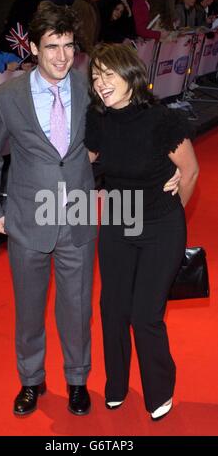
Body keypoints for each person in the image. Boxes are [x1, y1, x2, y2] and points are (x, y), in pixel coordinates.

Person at [0, 1, 96, 417]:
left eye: (68, 45)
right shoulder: (8, 97)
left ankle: (77, 379)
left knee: (78, 306)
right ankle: (31, 380)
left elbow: (120, 129)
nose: (62, 55)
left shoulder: (87, 84)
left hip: (78, 213)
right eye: (52, 46)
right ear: (35, 50)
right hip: (29, 217)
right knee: (29, 309)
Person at [85, 43, 199, 420]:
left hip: (160, 228)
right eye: (96, 75)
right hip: (117, 223)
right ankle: (116, 384)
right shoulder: (97, 119)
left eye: (109, 74)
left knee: (145, 314)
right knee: (111, 308)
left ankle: (159, 389)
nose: (101, 83)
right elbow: (87, 164)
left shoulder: (161, 120)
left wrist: (168, 213)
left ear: (130, 74)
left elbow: (191, 170)